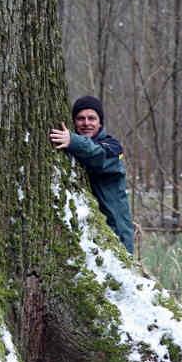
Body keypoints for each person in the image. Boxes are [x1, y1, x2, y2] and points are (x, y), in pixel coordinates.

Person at [49, 95, 134, 253]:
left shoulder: (113, 147)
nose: (86, 123)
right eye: (80, 118)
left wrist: (73, 141)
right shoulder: (75, 148)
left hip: (117, 233)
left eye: (91, 118)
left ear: (100, 122)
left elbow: (99, 156)